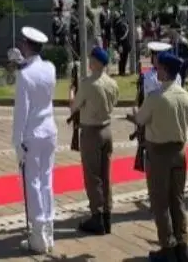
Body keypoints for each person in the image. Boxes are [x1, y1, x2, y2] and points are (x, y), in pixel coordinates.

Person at [129, 51, 188, 262]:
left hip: (159, 153)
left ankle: (167, 246)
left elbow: (141, 118)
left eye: (159, 69)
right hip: (180, 152)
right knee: (178, 200)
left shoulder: (156, 97)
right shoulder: (184, 95)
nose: (157, 73)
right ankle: (182, 245)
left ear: (165, 71)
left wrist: (134, 115)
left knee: (160, 202)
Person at [12, 26, 58, 254]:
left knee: (33, 184)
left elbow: (21, 112)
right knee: (47, 180)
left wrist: (16, 143)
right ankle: (48, 231)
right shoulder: (50, 68)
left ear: (27, 45)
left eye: (23, 43)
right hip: (49, 130)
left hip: (32, 133)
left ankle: (38, 235)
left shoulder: (24, 75)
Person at [68, 46, 118, 235]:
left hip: (91, 132)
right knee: (106, 175)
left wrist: (71, 91)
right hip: (107, 130)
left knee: (92, 176)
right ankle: (107, 214)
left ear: (96, 62)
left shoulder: (88, 84)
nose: (89, 62)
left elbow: (74, 107)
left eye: (91, 59)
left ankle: (96, 216)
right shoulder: (112, 83)